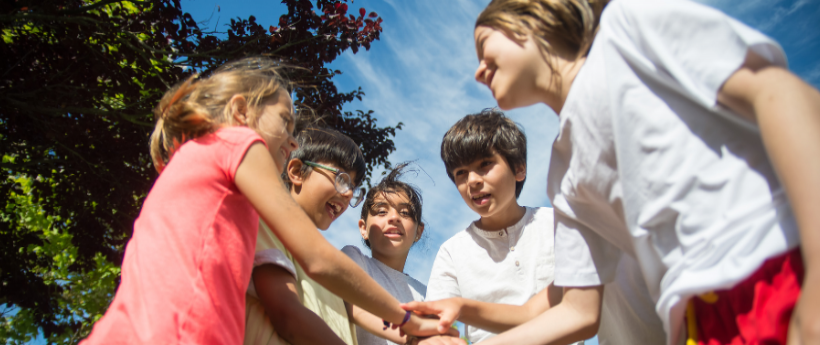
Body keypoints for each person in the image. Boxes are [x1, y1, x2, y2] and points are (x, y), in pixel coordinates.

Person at [457, 0, 820, 344]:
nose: (478, 70)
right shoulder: (563, 171)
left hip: (777, 267)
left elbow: (779, 92)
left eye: (484, 44)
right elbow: (577, 311)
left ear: (531, 20)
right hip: (695, 320)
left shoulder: (624, 30)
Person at [80, 57, 448, 344]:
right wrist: (408, 319)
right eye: (285, 122)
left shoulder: (241, 203)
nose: (291, 141)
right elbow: (317, 262)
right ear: (241, 112)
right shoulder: (236, 140)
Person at [414, 109, 580, 345]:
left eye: (485, 164)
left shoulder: (557, 225)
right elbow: (435, 325)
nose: (472, 181)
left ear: (519, 168)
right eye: (461, 173)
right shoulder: (452, 251)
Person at [245, 126, 367, 345]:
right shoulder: (268, 223)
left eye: (353, 187)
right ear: (297, 172)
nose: (348, 193)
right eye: (341, 178)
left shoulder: (329, 265)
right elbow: (287, 314)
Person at [341, 163, 430, 345]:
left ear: (418, 232)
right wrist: (411, 335)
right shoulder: (355, 259)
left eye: (405, 213)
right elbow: (354, 307)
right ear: (363, 228)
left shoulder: (428, 295)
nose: (394, 218)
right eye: (381, 211)